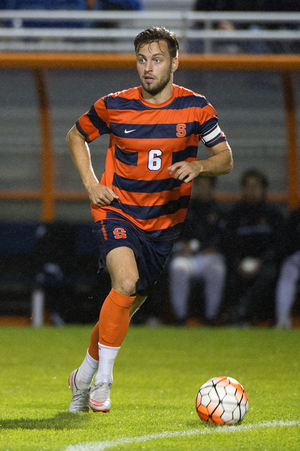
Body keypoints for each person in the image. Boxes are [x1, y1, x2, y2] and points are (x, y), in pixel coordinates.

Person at [66, 26, 233, 413]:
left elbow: (225, 159)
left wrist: (199, 164)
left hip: (162, 225)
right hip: (117, 209)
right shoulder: (114, 104)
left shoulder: (197, 107)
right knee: (123, 282)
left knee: (126, 300)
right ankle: (103, 382)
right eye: (142, 59)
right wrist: (92, 185)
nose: (148, 68)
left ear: (174, 62)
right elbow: (76, 135)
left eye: (157, 59)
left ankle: (84, 372)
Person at [220, 169, 284, 326]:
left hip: (265, 263)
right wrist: (237, 263)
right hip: (239, 263)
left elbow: (280, 245)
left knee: (270, 274)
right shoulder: (234, 215)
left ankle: (240, 311)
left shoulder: (274, 215)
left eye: (255, 187)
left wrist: (261, 262)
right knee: (227, 273)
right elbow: (228, 244)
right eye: (247, 187)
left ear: (264, 189)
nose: (251, 191)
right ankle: (231, 315)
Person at [169, 176, 226, 326]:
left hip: (210, 256)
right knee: (178, 268)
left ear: (212, 188)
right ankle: (180, 318)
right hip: (188, 256)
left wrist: (213, 247)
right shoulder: (185, 209)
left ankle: (211, 317)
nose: (202, 189)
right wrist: (182, 246)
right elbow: (173, 235)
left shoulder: (219, 210)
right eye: (199, 185)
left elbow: (225, 238)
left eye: (206, 185)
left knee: (217, 270)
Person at [275, 207, 300, 329]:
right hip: (295, 257)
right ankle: (282, 319)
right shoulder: (295, 216)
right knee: (287, 273)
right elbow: (285, 242)